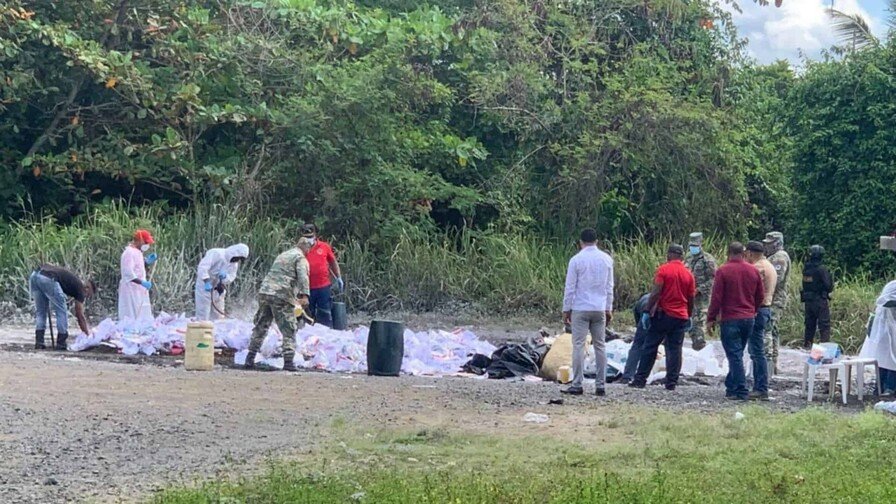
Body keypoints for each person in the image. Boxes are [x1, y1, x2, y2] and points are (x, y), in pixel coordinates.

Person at [628, 244, 696, 391]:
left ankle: (640, 379)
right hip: (680, 316)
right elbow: (691, 298)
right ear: (682, 257)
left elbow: (656, 292)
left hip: (663, 315)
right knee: (675, 349)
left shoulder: (663, 270)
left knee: (650, 346)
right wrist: (689, 315)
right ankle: (671, 382)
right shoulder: (688, 274)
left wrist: (647, 311)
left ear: (670, 254)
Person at [244, 237, 314, 372]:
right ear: (306, 248)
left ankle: (250, 357)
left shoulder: (284, 255)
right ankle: (288, 362)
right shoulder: (300, 258)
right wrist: (305, 295)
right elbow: (303, 276)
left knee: (261, 325)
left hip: (265, 292)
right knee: (289, 328)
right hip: (281, 294)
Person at [707, 242, 765, 401]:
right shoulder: (753, 270)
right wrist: (753, 310)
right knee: (738, 353)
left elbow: (716, 298)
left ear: (728, 253)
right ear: (744, 253)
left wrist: (711, 318)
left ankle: (741, 390)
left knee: (734, 356)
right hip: (748, 318)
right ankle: (731, 387)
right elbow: (761, 295)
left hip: (730, 318)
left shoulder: (723, 271)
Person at [561, 228, 614, 396]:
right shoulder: (606, 259)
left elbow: (570, 288)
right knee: (600, 346)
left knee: (578, 345)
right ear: (597, 241)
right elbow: (609, 287)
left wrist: (566, 309)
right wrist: (608, 307)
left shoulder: (576, 260)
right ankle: (600, 385)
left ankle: (577, 383)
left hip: (580, 307)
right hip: (599, 308)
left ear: (580, 242)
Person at [29, 264, 96, 350]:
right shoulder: (81, 290)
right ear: (88, 289)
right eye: (89, 295)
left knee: (41, 312)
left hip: (35, 275)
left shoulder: (75, 282)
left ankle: (39, 342)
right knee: (61, 310)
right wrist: (87, 333)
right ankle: (61, 342)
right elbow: (79, 315)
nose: (86, 297)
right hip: (49, 279)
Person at [745, 241, 776, 400]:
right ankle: (760, 386)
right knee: (759, 350)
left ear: (750, 253)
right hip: (766, 308)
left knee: (756, 351)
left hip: (758, 310)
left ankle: (760, 387)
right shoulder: (769, 265)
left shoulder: (757, 268)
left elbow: (750, 291)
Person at [301, 223, 344, 328]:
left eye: (310, 237)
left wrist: (338, 277)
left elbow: (333, 261)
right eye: (306, 237)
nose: (309, 240)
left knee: (325, 313)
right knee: (307, 314)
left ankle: (325, 335)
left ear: (315, 234)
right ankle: (308, 336)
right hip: (306, 288)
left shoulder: (324, 247)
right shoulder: (300, 249)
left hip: (323, 286)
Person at [194, 244, 250, 321]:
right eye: (238, 258)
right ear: (235, 253)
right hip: (204, 286)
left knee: (218, 315)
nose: (238, 260)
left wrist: (225, 278)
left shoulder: (233, 264)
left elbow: (231, 276)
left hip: (218, 288)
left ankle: (216, 331)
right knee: (203, 312)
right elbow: (203, 267)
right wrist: (206, 281)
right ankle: (202, 329)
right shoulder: (217, 253)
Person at [860, 280, 896, 394]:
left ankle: (881, 387)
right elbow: (886, 302)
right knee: (888, 359)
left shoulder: (891, 285)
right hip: (886, 326)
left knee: (885, 359)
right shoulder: (893, 286)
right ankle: (888, 387)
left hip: (884, 326)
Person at [763, 231, 791, 374]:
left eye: (769, 243)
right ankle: (772, 364)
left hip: (775, 300)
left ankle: (771, 363)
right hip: (771, 298)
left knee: (769, 328)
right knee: (772, 330)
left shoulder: (779, 257)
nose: (766, 246)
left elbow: (776, 279)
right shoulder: (772, 257)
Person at [684, 232, 716, 351]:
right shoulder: (688, 258)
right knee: (690, 325)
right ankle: (695, 349)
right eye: (691, 245)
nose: (693, 248)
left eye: (695, 245)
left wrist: (699, 289)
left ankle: (700, 350)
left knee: (699, 326)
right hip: (688, 298)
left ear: (700, 244)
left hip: (702, 299)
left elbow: (713, 280)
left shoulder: (708, 260)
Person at [118, 229, 156, 321]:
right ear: (140, 241)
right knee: (131, 314)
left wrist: (146, 263)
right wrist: (142, 282)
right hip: (130, 289)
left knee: (142, 313)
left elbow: (138, 268)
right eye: (146, 242)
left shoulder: (138, 252)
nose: (147, 245)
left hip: (139, 290)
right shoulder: (129, 253)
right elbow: (128, 273)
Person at [801, 245, 834, 348]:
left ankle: (807, 345)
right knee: (824, 325)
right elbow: (828, 286)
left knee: (809, 324)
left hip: (808, 300)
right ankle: (824, 347)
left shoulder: (806, 268)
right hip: (819, 300)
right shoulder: (821, 269)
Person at [621, 293, 651, 384]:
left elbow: (638, 322)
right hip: (659, 310)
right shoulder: (649, 298)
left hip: (647, 311)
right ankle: (671, 377)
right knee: (653, 347)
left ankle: (628, 376)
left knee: (637, 345)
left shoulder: (641, 301)